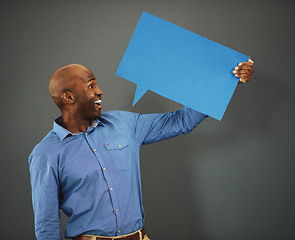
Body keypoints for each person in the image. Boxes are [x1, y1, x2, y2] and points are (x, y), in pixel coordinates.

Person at [29, 60, 253, 240]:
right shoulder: (45, 154)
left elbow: (181, 121)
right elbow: (46, 226)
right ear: (68, 97)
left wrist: (227, 82)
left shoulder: (123, 123)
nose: (99, 91)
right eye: (90, 85)